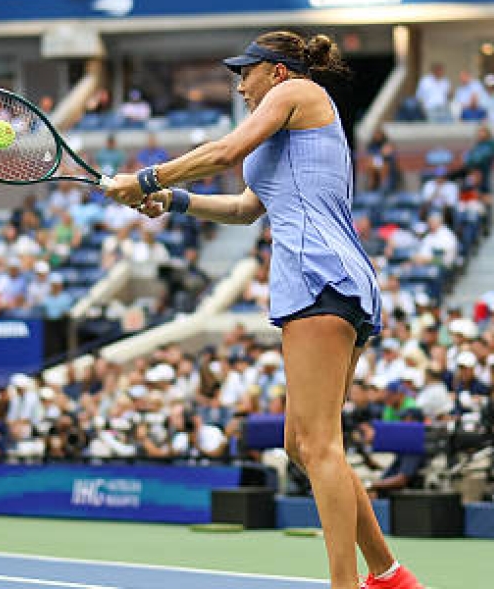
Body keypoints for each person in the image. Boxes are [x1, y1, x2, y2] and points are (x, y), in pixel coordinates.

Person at [104, 31, 421, 589]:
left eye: (244, 73)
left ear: (275, 71)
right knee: (301, 445)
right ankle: (388, 574)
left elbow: (224, 152)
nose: (239, 85)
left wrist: (146, 176)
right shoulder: (284, 125)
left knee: (320, 444)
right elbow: (247, 208)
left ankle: (347, 585)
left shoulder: (296, 91)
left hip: (320, 275)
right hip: (325, 280)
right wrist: (170, 200)